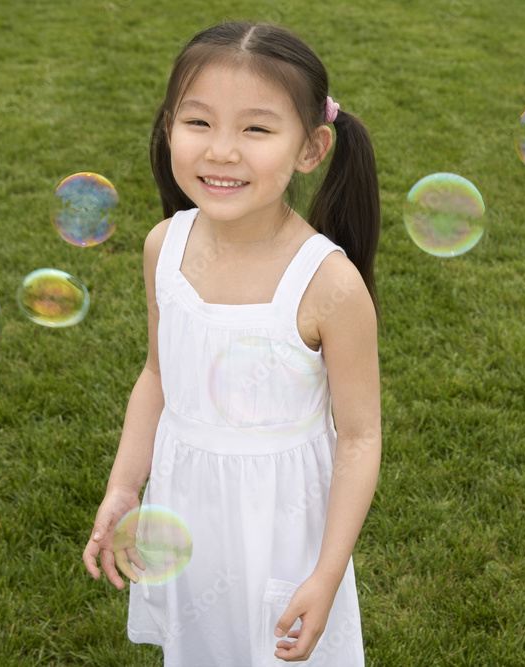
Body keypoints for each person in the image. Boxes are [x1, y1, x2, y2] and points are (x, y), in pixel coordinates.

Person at [82, 20, 381, 666]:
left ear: (311, 147)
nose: (221, 151)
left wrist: (326, 574)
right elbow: (158, 377)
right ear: (168, 129)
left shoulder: (327, 285)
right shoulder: (165, 247)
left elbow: (359, 436)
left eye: (255, 128)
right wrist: (123, 488)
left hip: (283, 531)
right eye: (198, 123)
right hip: (191, 512)